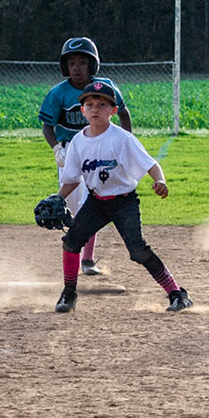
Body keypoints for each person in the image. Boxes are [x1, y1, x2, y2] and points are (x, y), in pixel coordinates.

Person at [53, 81, 185, 314]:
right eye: (90, 104)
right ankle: (69, 292)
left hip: (123, 201)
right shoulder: (78, 142)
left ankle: (177, 293)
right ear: (82, 110)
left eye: (102, 104)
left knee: (138, 250)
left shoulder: (121, 138)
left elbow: (150, 164)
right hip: (96, 202)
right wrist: (57, 198)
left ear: (113, 111)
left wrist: (160, 181)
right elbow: (72, 178)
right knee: (71, 242)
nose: (95, 109)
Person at [38, 38, 132, 277]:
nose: (77, 68)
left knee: (92, 202)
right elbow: (47, 125)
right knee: (68, 204)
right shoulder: (58, 93)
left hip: (100, 148)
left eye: (82, 62)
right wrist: (56, 149)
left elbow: (123, 113)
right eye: (72, 63)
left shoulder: (104, 87)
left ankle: (87, 259)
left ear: (93, 65)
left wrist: (124, 144)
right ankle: (74, 249)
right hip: (70, 150)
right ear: (65, 66)